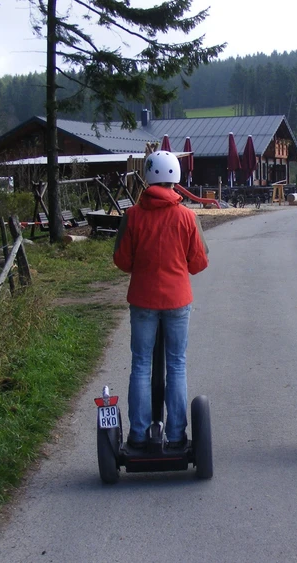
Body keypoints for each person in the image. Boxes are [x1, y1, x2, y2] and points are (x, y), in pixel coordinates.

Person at [113, 150, 209, 450]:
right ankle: (177, 434)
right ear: (176, 177)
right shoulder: (187, 217)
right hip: (178, 300)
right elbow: (198, 263)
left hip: (142, 299)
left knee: (141, 364)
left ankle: (139, 434)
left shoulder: (132, 216)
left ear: (148, 176)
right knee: (176, 365)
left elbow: (122, 260)